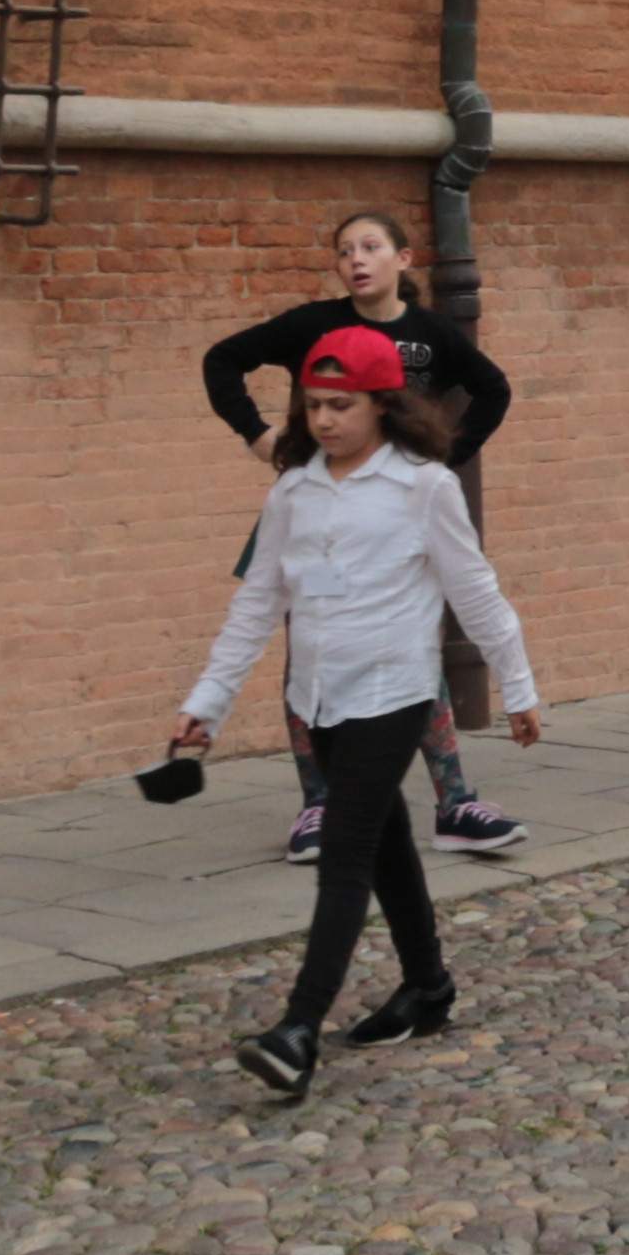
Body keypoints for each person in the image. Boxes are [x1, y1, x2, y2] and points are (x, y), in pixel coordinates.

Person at [171, 324, 544, 1098]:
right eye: (312, 405)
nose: (324, 420)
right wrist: (207, 702)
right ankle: (429, 987)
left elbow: (475, 589)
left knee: (344, 853)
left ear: (382, 404)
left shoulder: (424, 487)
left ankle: (297, 1031)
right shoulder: (294, 490)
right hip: (319, 698)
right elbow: (258, 603)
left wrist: (517, 685)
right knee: (386, 848)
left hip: (393, 693)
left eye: (340, 405)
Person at [201, 211, 527, 861]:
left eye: (370, 246)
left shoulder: (431, 334)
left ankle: (456, 804)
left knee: (413, 646)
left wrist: (444, 458)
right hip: (319, 513)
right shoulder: (313, 326)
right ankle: (319, 806)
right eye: (345, 249)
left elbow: (493, 390)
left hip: (398, 517)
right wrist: (260, 437)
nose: (356, 258)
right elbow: (222, 360)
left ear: (402, 259)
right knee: (309, 649)